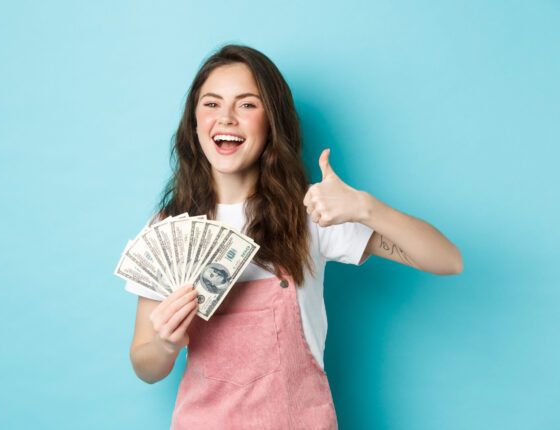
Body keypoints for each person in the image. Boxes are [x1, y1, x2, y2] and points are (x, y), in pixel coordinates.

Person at [128, 44, 463, 429]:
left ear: (273, 121)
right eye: (211, 104)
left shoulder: (310, 216)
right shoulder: (169, 230)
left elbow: (448, 259)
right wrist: (165, 344)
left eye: (247, 105)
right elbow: (145, 365)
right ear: (193, 122)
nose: (227, 118)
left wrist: (366, 208)